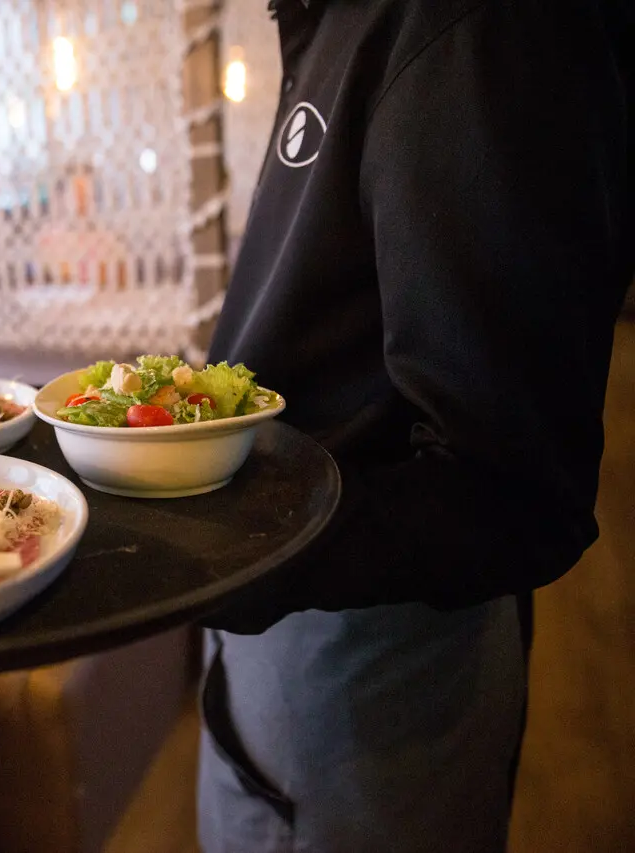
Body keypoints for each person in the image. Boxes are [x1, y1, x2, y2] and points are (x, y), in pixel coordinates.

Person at [195, 2, 632, 852]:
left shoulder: (480, 29)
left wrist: (230, 549)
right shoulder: (336, 24)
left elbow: (513, 486)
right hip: (299, 643)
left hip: (374, 669)